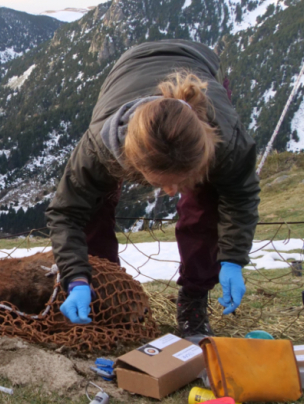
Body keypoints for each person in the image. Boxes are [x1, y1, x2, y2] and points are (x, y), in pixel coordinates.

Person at [46, 40, 260, 341]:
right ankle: (104, 295)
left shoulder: (227, 142)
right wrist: (77, 278)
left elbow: (240, 195)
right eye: (161, 181)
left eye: (180, 180)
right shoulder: (100, 146)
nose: (172, 192)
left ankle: (193, 301)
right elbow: (67, 213)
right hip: (127, 70)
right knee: (94, 209)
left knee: (204, 208)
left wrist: (232, 260)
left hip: (199, 61)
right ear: (131, 161)